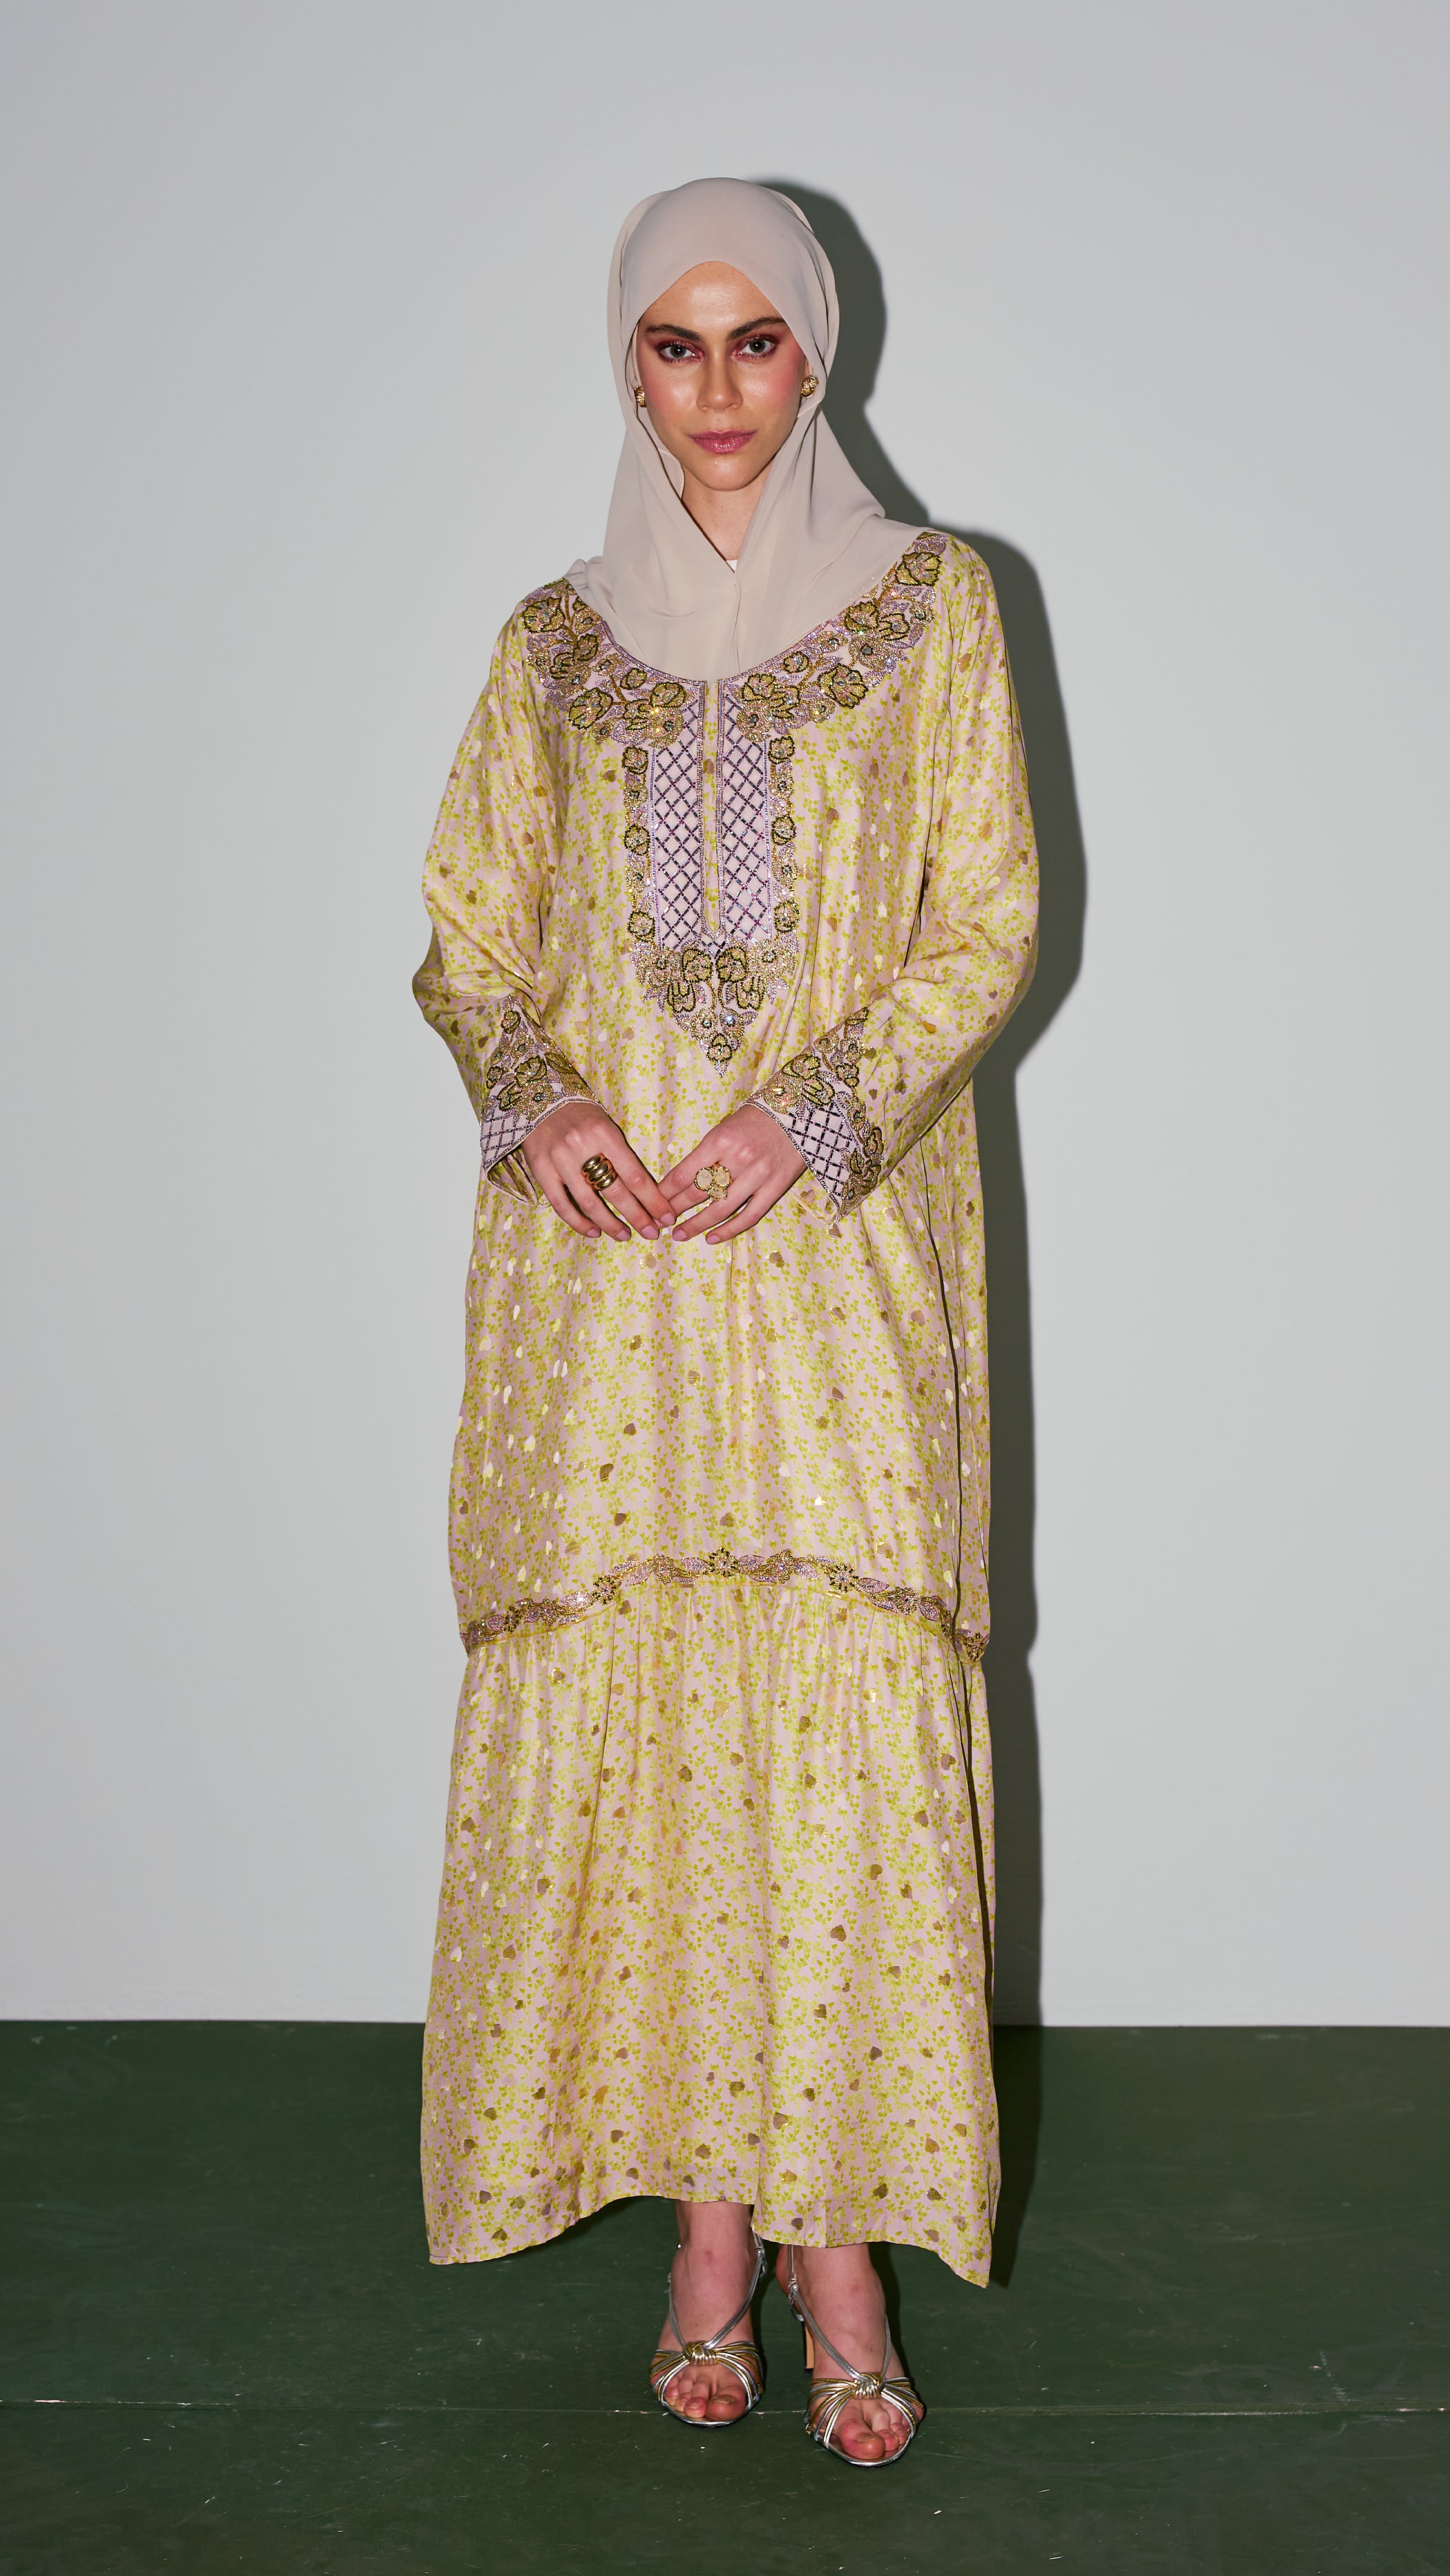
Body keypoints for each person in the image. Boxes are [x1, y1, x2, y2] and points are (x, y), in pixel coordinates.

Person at [413, 175, 1038, 2468]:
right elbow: (466, 936)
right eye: (669, 347)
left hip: (832, 1247)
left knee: (835, 1712)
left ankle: (838, 2245)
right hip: (609, 1290)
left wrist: (818, 1111)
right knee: (666, 1716)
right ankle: (706, 2234)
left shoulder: (928, 607)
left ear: (815, 352)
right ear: (626, 362)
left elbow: (982, 919)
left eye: (752, 341)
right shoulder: (548, 644)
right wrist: (542, 1098)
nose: (713, 393)